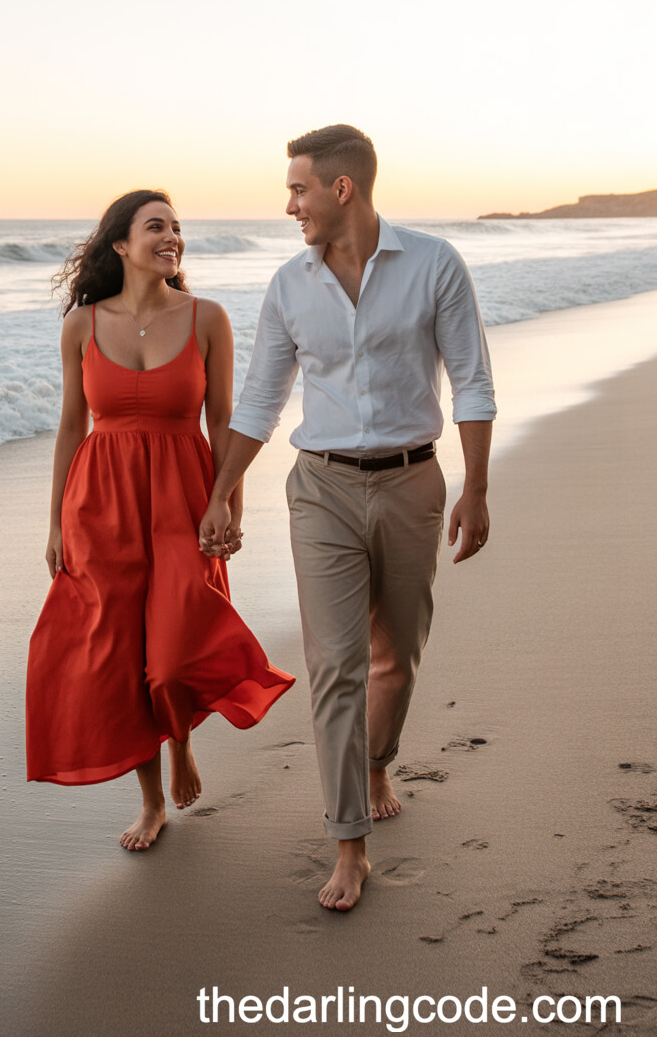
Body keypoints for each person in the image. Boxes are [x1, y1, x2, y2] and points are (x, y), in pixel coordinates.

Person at [200, 126, 496, 910]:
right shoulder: (288, 285)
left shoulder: (434, 265)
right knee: (337, 668)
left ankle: (376, 760)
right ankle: (348, 844)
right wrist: (223, 490)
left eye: (298, 189)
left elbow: (471, 380)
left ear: (342, 190)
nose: (288, 204)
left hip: (412, 485)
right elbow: (261, 398)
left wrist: (477, 487)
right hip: (321, 489)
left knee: (396, 657)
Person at [26, 189, 294, 851]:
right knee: (120, 659)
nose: (173, 236)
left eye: (177, 227)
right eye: (157, 227)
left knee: (173, 658)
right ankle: (151, 803)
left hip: (182, 497)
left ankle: (182, 743)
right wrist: (57, 522)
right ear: (122, 245)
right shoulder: (82, 326)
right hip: (101, 504)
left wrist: (229, 502)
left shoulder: (208, 318)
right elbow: (70, 427)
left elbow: (224, 419)